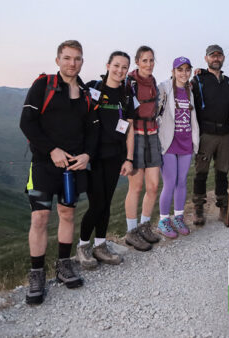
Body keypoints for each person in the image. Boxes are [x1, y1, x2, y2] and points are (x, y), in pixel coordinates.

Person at [19, 40, 99, 304]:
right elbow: (27, 123)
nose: (71, 63)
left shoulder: (87, 93)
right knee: (40, 218)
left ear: (82, 62)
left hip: (73, 167)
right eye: (66, 58)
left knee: (67, 214)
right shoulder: (43, 85)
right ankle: (37, 273)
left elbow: (92, 130)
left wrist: (87, 154)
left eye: (77, 59)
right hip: (43, 164)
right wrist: (51, 149)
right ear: (57, 60)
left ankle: (64, 265)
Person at [76, 51, 135, 269]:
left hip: (114, 156)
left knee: (106, 203)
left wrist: (128, 159)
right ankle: (83, 246)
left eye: (124, 67)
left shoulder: (127, 95)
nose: (120, 70)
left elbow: (130, 130)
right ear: (108, 65)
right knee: (97, 203)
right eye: (117, 65)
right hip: (92, 157)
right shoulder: (94, 90)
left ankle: (100, 245)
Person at [190, 44, 229, 227]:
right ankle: (198, 208)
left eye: (219, 55)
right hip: (205, 134)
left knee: (222, 173)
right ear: (206, 58)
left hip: (225, 133)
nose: (216, 58)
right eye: (212, 56)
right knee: (201, 172)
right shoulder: (198, 80)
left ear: (223, 58)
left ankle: (224, 209)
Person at [122, 46, 162, 251]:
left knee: (153, 186)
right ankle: (131, 231)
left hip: (153, 135)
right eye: (144, 60)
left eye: (152, 60)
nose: (149, 64)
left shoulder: (153, 81)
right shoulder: (130, 83)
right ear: (137, 62)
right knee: (136, 187)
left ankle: (145, 225)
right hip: (135, 137)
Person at [156, 57, 200, 238]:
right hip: (168, 142)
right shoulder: (164, 88)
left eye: (187, 70)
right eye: (179, 69)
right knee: (170, 181)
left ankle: (178, 217)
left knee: (182, 181)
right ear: (173, 71)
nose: (184, 73)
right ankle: (163, 220)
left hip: (186, 142)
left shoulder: (190, 91)